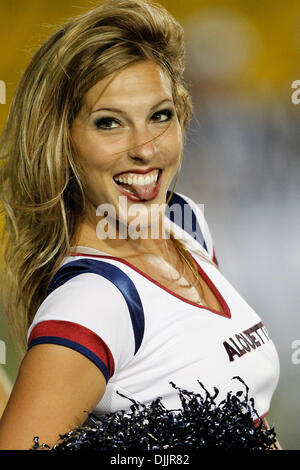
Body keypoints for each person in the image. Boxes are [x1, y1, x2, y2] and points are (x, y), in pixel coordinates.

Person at [0, 0, 280, 450]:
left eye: (160, 116)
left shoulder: (185, 223)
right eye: (109, 123)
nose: (145, 149)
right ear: (62, 142)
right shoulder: (92, 303)